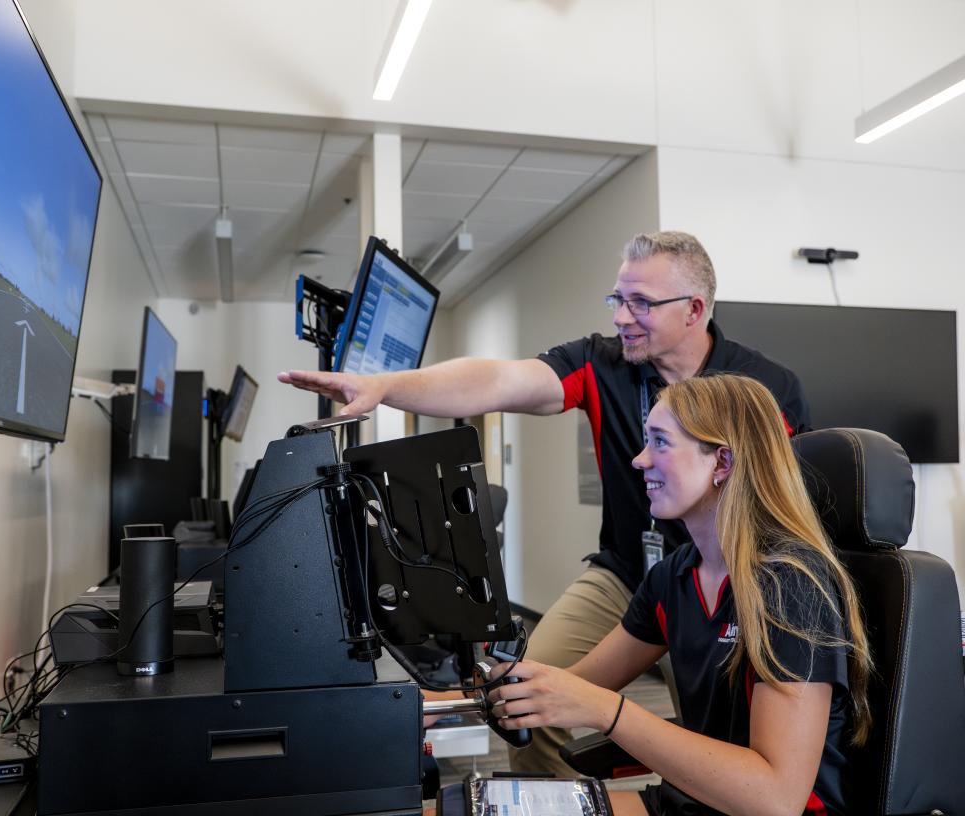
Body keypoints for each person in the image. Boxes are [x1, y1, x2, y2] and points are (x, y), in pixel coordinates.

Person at [279, 231, 811, 773]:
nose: (622, 317)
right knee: (526, 697)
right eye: (617, 300)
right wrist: (387, 387)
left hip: (732, 585)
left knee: (723, 745)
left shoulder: (765, 389)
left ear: (694, 309)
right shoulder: (603, 363)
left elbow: (788, 506)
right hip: (632, 572)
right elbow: (499, 380)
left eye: (641, 303)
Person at [488, 374, 872, 816]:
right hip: (691, 803)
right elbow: (579, 684)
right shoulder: (673, 574)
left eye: (660, 443)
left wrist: (609, 712)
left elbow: (775, 797)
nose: (639, 460)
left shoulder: (791, 585)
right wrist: (470, 691)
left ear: (722, 462)